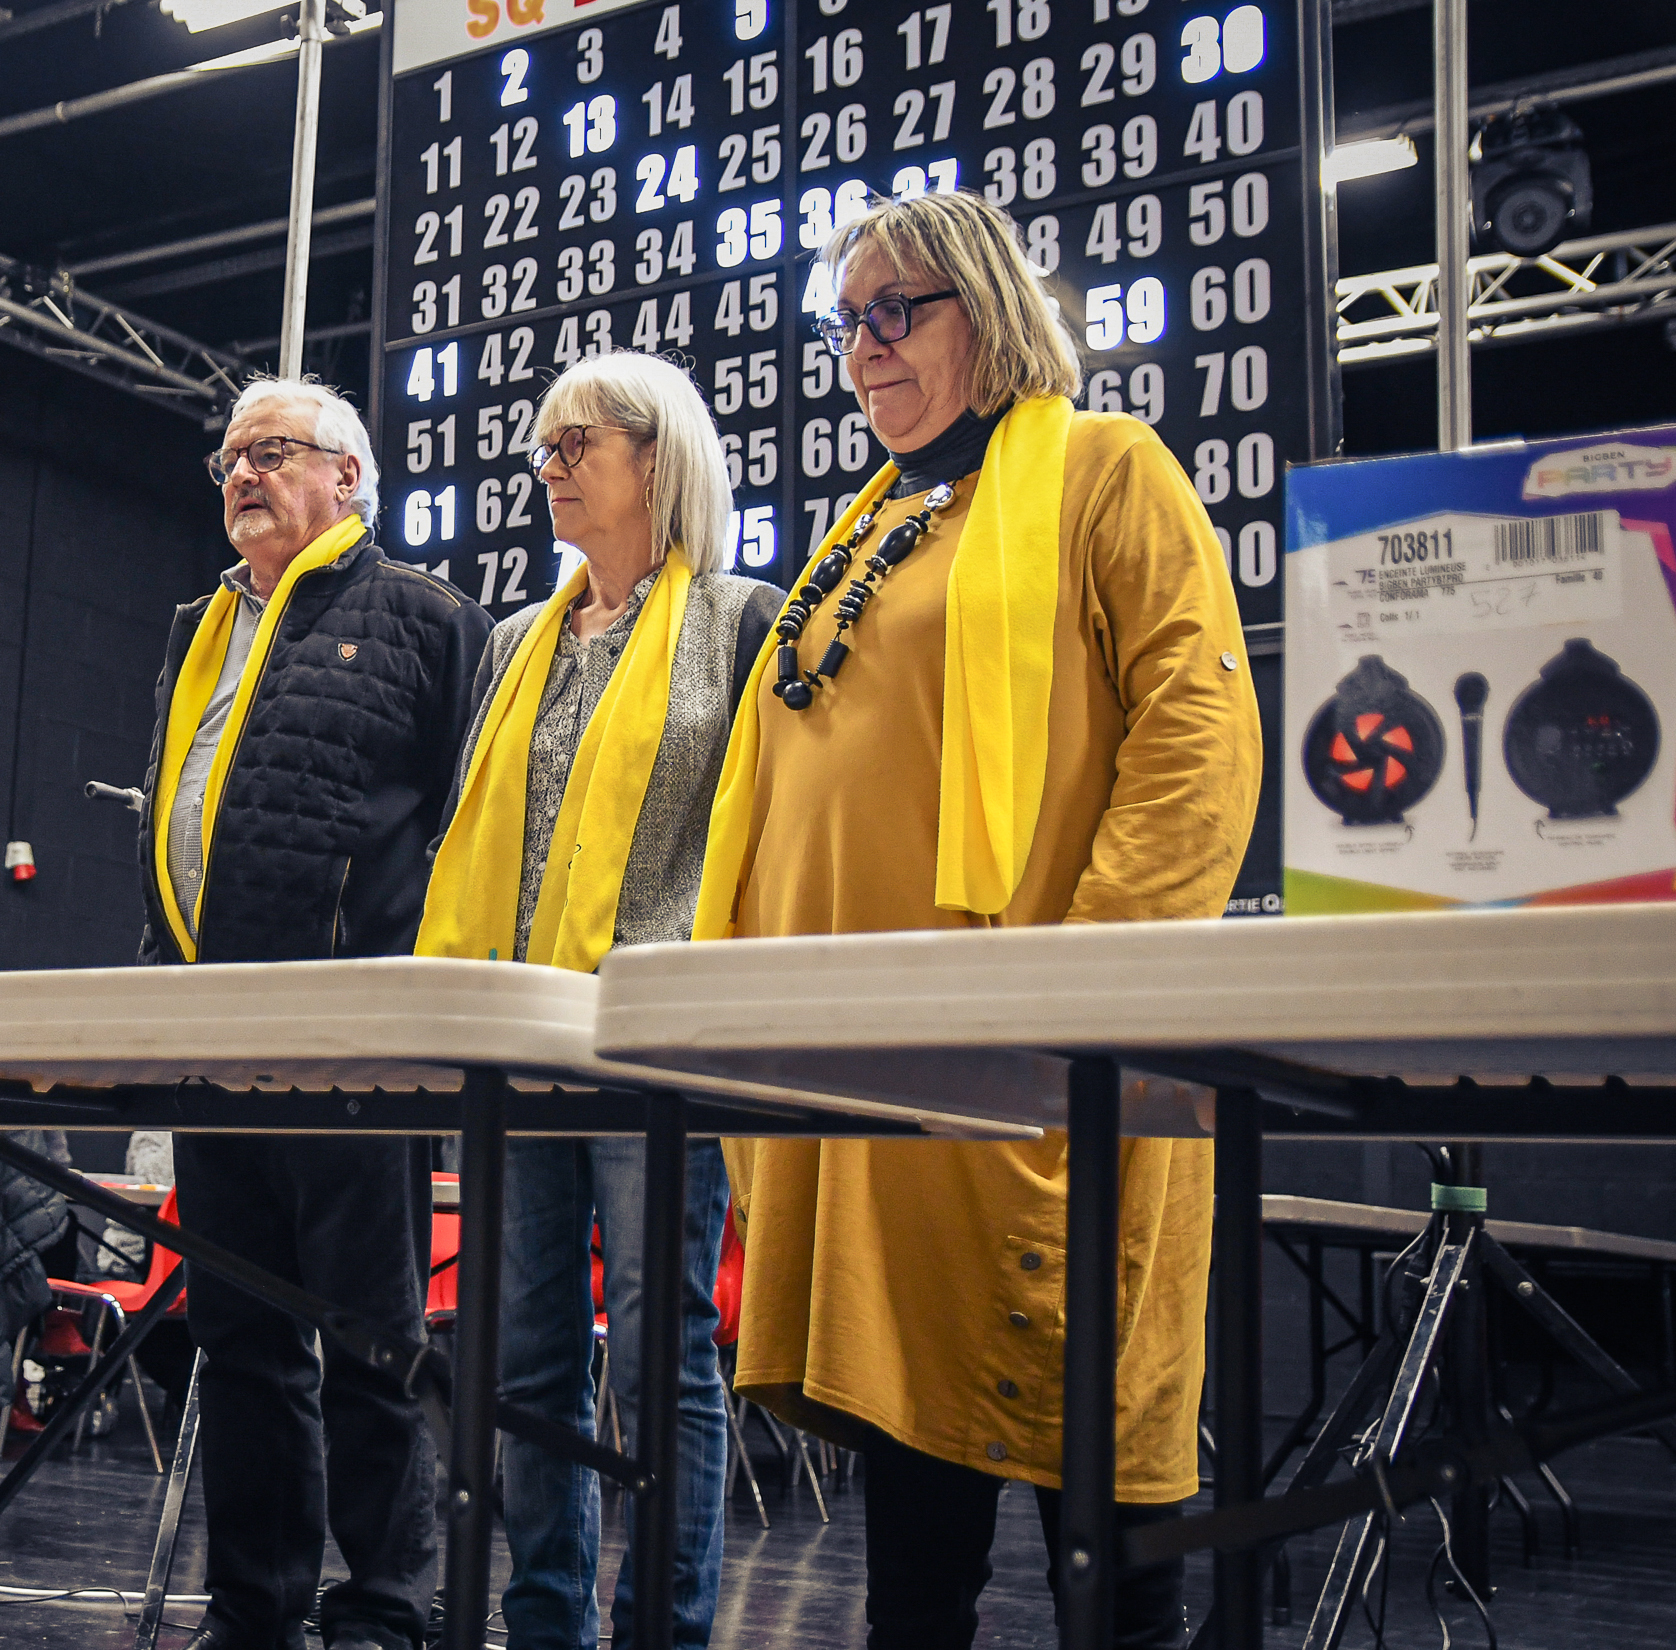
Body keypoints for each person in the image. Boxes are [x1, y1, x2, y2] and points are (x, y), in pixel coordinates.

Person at [693, 190, 1263, 1649]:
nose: (867, 345)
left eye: (901, 310)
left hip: (1049, 1069)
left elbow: (1198, 727)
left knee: (1104, 1514)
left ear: (990, 309)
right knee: (914, 1534)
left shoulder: (1099, 470)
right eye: (850, 320)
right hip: (876, 1081)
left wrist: (1084, 981)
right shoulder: (864, 524)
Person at [417, 353, 777, 1649]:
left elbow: (770, 836)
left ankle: (667, 1629)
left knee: (663, 1354)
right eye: (544, 447)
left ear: (658, 455)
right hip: (518, 1033)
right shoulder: (516, 641)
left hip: (658, 1037)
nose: (549, 465)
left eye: (576, 442)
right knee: (524, 1356)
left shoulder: (743, 621)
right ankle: (546, 1615)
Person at [139, 377, 492, 1650]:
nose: (243, 474)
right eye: (230, 457)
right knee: (240, 1340)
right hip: (209, 1037)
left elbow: (466, 830)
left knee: (373, 1344)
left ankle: (388, 1608)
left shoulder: (429, 617)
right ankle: (256, 1607)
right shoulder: (196, 623)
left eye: (274, 452)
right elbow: (174, 817)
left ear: (348, 476)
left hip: (354, 1043)